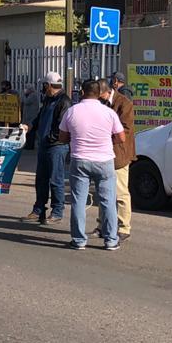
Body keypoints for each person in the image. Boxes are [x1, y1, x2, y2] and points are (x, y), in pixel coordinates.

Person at [58, 78, 125, 251]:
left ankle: (79, 240)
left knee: (78, 201)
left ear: (82, 92)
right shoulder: (108, 113)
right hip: (104, 161)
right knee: (108, 201)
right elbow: (121, 137)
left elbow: (62, 137)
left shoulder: (72, 111)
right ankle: (111, 239)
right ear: (99, 94)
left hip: (80, 160)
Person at [23, 72, 70, 224]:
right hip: (44, 145)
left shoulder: (64, 101)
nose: (43, 89)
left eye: (44, 85)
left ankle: (57, 211)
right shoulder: (49, 100)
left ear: (48, 85)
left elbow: (61, 126)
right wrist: (29, 126)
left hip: (56, 146)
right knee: (41, 179)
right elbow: (39, 117)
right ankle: (39, 209)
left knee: (56, 179)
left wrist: (50, 138)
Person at [103, 73, 137, 244]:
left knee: (121, 192)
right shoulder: (102, 103)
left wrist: (104, 137)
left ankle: (124, 227)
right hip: (104, 153)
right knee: (104, 191)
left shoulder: (124, 103)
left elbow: (125, 131)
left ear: (107, 91)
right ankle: (104, 224)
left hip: (120, 153)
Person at [20, 83, 41, 149]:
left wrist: (23, 96)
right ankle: (27, 144)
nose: (25, 90)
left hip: (32, 117)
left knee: (31, 132)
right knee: (27, 132)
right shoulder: (29, 95)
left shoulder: (33, 95)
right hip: (27, 116)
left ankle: (30, 145)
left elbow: (26, 101)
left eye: (26, 88)